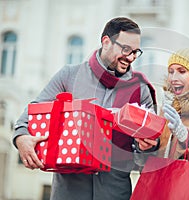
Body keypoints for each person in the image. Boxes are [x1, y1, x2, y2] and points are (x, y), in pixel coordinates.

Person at [13, 17, 158, 200]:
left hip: (114, 193)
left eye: (136, 52)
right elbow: (28, 117)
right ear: (106, 42)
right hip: (68, 192)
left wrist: (145, 146)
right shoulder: (69, 76)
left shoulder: (141, 89)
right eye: (126, 49)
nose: (130, 58)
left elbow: (149, 157)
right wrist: (22, 138)